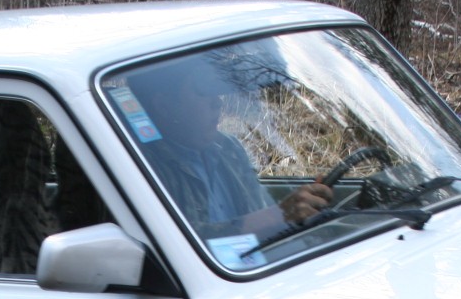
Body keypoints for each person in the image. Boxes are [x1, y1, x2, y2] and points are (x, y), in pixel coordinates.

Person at [124, 59, 332, 242]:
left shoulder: (228, 148)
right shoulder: (142, 167)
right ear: (163, 106)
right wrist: (277, 216)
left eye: (214, 91)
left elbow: (257, 213)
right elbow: (182, 245)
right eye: (202, 91)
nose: (217, 102)